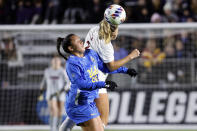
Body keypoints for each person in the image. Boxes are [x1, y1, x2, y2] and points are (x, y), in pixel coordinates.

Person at [60, 12, 140, 131]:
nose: (82, 42)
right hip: (91, 84)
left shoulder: (93, 40)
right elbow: (110, 67)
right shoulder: (103, 47)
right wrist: (131, 57)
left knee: (96, 122)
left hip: (92, 81)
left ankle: (63, 128)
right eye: (116, 27)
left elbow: (104, 67)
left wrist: (126, 70)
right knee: (100, 122)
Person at [39, 55, 70, 131]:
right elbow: (43, 82)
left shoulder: (62, 71)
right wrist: (41, 90)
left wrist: (64, 90)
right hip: (51, 94)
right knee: (54, 110)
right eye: (54, 60)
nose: (56, 62)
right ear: (51, 62)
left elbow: (67, 83)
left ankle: (57, 127)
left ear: (60, 62)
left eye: (57, 60)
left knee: (59, 112)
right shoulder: (47, 71)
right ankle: (52, 128)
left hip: (61, 93)